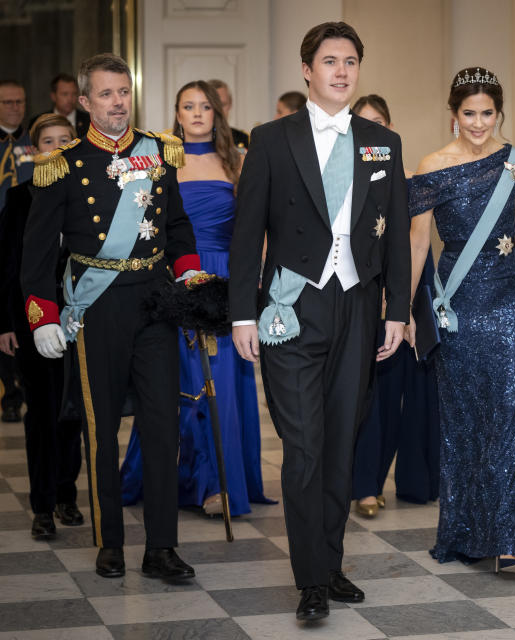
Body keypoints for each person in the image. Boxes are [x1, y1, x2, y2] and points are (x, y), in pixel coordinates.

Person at [228, 22, 410, 621]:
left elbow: (401, 240)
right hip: (291, 307)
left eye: (350, 61)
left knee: (339, 444)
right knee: (303, 447)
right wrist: (241, 315)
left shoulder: (383, 141)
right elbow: (247, 233)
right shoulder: (271, 139)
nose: (341, 70)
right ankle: (309, 579)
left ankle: (330, 564)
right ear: (307, 70)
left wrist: (399, 312)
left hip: (358, 307)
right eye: (329, 60)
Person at [21, 53, 201, 581]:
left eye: (123, 92)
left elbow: (178, 230)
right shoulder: (65, 164)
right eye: (105, 94)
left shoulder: (159, 153)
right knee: (101, 430)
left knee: (163, 426)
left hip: (155, 302)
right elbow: (33, 258)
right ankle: (111, 542)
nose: (117, 102)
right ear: (84, 103)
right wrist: (42, 318)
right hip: (98, 307)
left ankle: (162, 548)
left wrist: (190, 280)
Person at [406, 67, 515, 573]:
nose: (479, 123)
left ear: (499, 113)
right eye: (469, 114)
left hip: (509, 302)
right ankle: (465, 532)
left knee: (506, 421)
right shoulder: (432, 166)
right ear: (453, 115)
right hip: (455, 306)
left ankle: (510, 537)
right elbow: (418, 244)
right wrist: (405, 313)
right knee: (463, 424)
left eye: (488, 113)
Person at [119, 80, 273, 517]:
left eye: (205, 106)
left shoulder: (237, 162)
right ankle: (178, 478)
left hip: (226, 278)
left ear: (217, 112)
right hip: (178, 278)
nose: (198, 114)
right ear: (176, 113)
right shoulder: (160, 161)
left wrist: (256, 281)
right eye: (189, 106)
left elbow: (255, 226)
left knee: (222, 383)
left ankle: (217, 484)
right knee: (181, 382)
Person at [350, 94, 440, 518]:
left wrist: (402, 306)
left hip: (412, 285)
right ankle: (366, 484)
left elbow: (418, 243)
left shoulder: (410, 176)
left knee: (418, 387)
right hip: (366, 290)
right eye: (365, 123)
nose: (374, 130)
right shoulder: (345, 178)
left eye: (380, 122)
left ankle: (417, 480)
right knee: (376, 392)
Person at [0, 114, 84, 540]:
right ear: (34, 151)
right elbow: (7, 266)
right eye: (46, 141)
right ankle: (42, 505)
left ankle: (68, 495)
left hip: (80, 318)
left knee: (74, 412)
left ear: (74, 145)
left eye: (63, 140)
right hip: (31, 317)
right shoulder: (18, 199)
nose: (54, 147)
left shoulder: (88, 195)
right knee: (42, 413)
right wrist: (5, 324)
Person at [0, 79, 31, 423]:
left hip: (22, 233)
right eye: (7, 102)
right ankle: (7, 386)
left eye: (19, 102)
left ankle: (18, 386)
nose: (14, 108)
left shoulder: (33, 142)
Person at [207, 79, 249, 149]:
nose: (218, 110)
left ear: (230, 104)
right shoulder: (190, 139)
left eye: (222, 104)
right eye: (212, 105)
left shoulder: (243, 138)